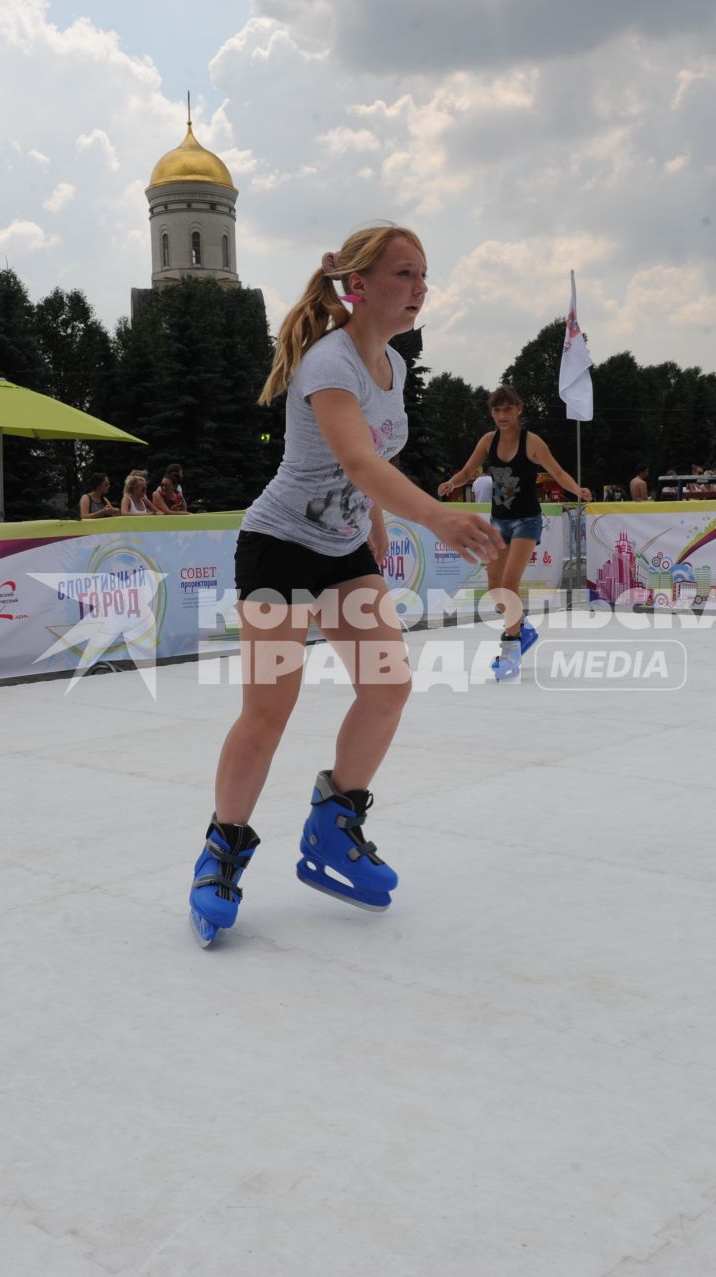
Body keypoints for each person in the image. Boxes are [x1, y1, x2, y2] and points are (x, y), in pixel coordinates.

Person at [187, 224, 500, 947]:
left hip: (343, 549)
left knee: (388, 685)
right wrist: (435, 518)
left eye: (424, 274)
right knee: (268, 714)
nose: (420, 286)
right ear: (358, 286)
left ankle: (334, 824)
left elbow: (369, 466)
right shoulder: (330, 363)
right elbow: (357, 461)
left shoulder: (390, 363)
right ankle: (221, 851)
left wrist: (378, 520)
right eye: (404, 273)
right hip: (278, 551)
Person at [438, 387, 592, 680]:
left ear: (518, 410)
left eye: (507, 409)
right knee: (495, 589)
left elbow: (557, 473)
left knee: (509, 584)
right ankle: (522, 627)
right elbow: (469, 471)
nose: (502, 416)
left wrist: (577, 489)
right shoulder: (488, 440)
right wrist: (451, 483)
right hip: (500, 521)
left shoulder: (532, 442)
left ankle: (510, 649)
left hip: (527, 521)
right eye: (497, 411)